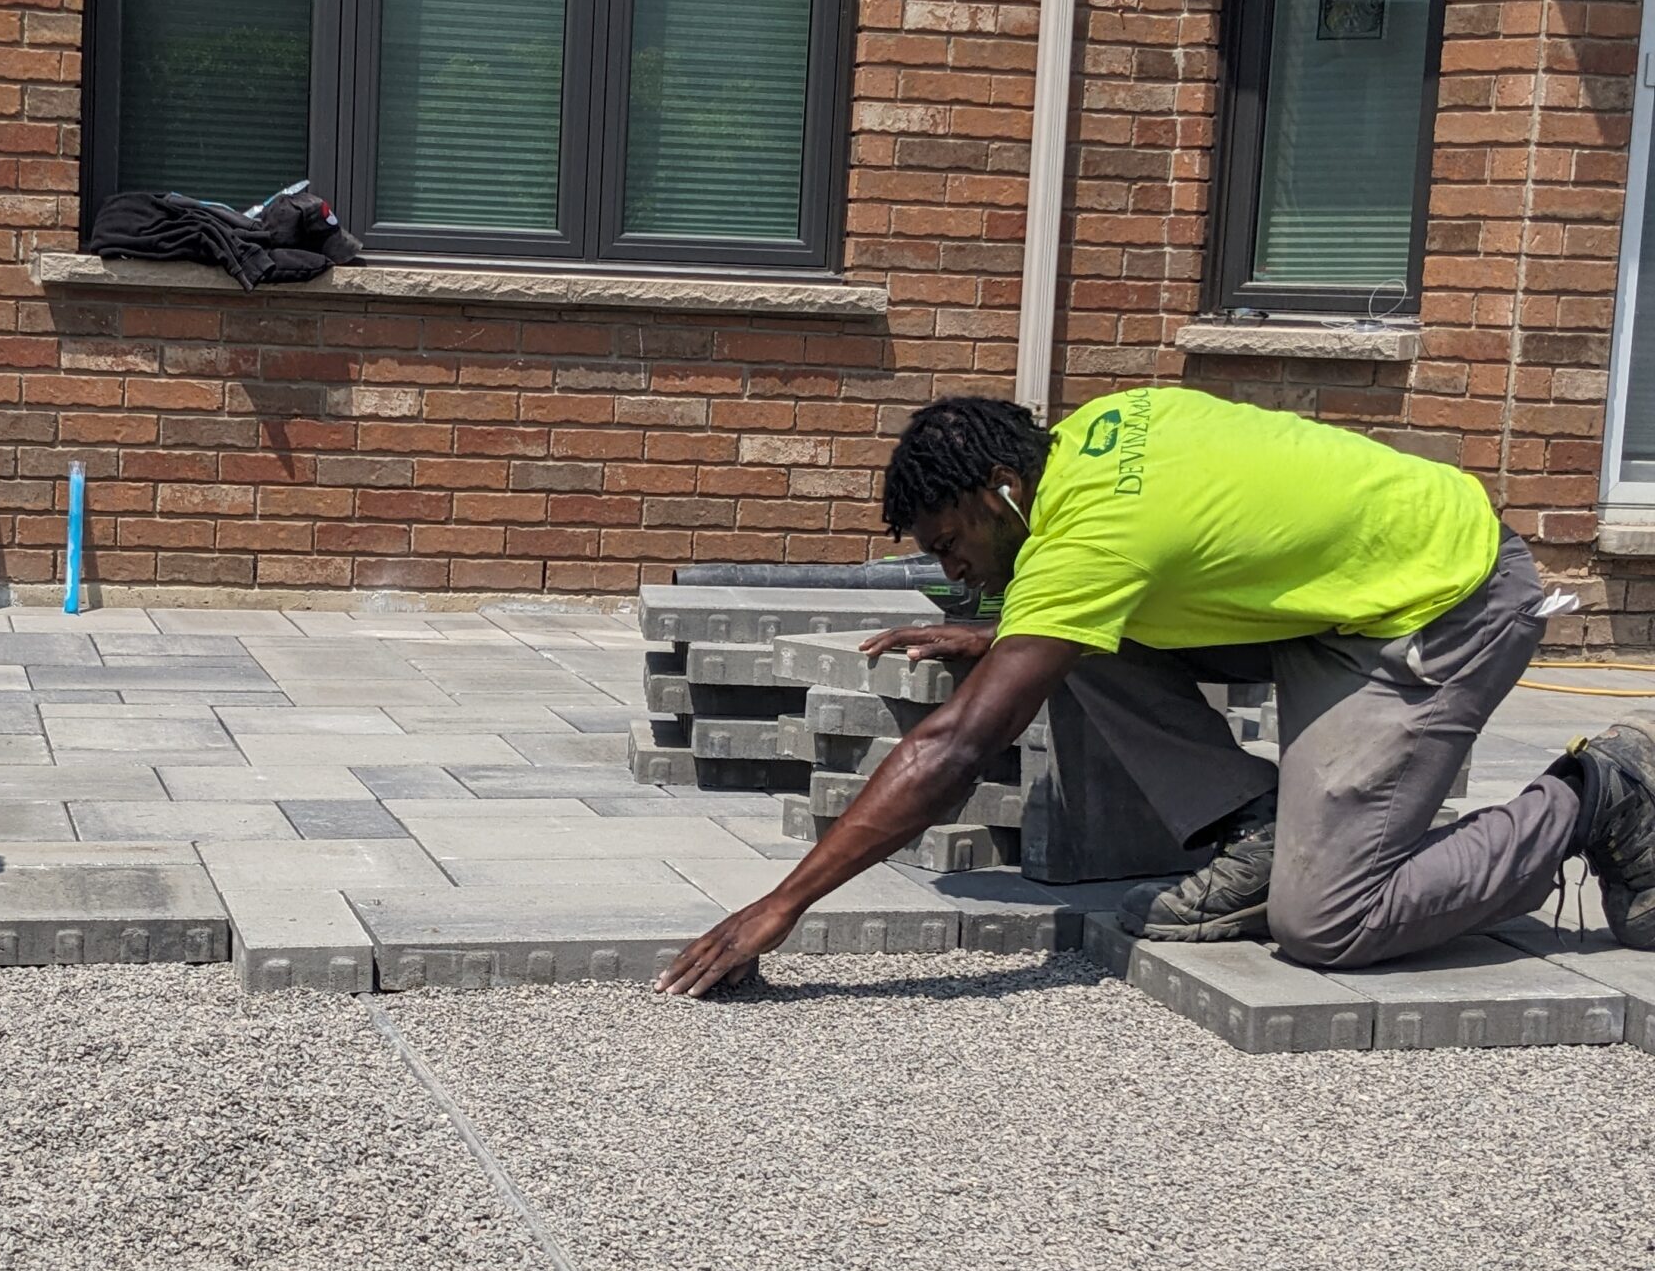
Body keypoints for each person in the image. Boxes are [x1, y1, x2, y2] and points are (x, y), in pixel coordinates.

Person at [657, 387, 1655, 997]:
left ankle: (1596, 796)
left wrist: (779, 906)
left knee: (1330, 924)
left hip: (1442, 602)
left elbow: (956, 750)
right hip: (1336, 598)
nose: (953, 571)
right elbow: (1158, 546)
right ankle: (1257, 826)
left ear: (1001, 489)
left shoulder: (1089, 544)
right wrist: (1001, 631)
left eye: (950, 543)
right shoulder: (1094, 434)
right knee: (1068, 639)